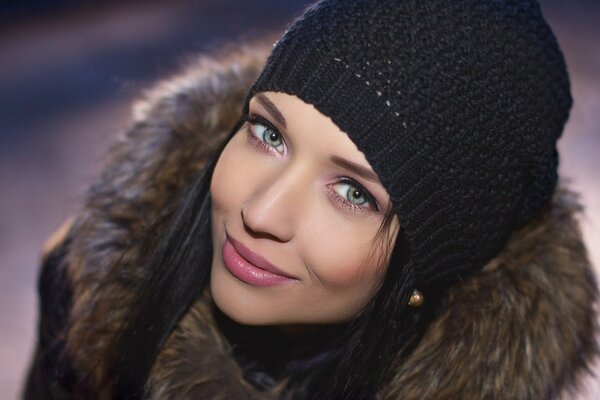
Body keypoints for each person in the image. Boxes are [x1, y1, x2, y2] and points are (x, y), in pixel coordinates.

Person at [24, 0, 598, 399]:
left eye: (352, 193)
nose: (260, 213)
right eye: (269, 134)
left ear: (433, 267)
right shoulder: (87, 287)